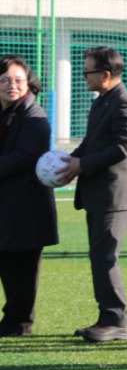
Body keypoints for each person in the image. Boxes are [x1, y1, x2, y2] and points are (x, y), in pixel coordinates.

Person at [60, 46, 127, 343]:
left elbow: (123, 148)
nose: (84, 76)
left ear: (105, 75)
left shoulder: (124, 104)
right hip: (97, 193)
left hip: (114, 196)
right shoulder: (102, 101)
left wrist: (83, 164)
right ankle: (107, 317)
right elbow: (91, 143)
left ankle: (118, 320)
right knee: (98, 257)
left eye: (87, 72)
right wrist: (70, 162)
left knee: (106, 257)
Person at [0, 56, 59, 337]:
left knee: (22, 267)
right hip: (7, 205)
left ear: (27, 83)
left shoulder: (34, 116)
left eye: (17, 80)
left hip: (27, 206)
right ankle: (12, 319)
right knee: (7, 263)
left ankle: (19, 323)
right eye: (4, 80)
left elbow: (24, 157)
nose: (11, 85)